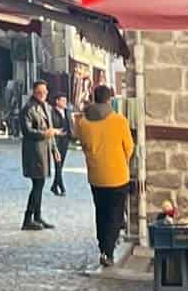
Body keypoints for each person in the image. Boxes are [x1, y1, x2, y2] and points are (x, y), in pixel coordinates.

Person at [75, 84, 136, 267]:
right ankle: (108, 251)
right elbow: (129, 147)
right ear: (109, 100)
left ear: (94, 98)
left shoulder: (84, 123)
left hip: (96, 176)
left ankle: (103, 247)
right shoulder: (119, 121)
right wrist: (120, 160)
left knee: (101, 212)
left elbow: (84, 146)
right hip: (117, 175)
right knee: (116, 215)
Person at [19, 80, 57, 231]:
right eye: (39, 92)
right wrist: (45, 134)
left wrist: (55, 149)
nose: (43, 95)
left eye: (45, 92)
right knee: (37, 185)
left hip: (44, 151)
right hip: (34, 152)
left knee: (40, 184)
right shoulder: (28, 109)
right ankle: (28, 218)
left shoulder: (46, 107)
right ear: (34, 93)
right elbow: (27, 131)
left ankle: (37, 216)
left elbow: (50, 130)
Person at [48, 92, 74, 197]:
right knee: (57, 163)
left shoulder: (67, 111)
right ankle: (61, 187)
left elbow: (70, 124)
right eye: (62, 101)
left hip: (65, 140)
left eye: (65, 101)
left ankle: (54, 186)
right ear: (57, 101)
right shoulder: (52, 112)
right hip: (56, 141)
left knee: (61, 164)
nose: (64, 103)